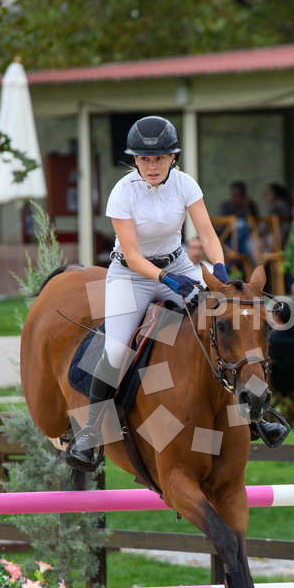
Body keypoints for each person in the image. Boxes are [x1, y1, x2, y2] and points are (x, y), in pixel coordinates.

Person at [67, 115, 230, 469]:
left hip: (179, 265)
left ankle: (253, 412)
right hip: (131, 275)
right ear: (134, 160)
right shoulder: (122, 192)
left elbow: (206, 234)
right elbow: (133, 256)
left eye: (158, 158)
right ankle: (89, 433)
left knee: (222, 321)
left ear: (173, 157)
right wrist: (166, 280)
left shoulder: (186, 184)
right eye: (144, 159)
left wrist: (219, 268)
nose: (151, 166)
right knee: (115, 349)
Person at [218, 180, 260, 261]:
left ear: (244, 196)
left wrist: (246, 206)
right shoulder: (226, 206)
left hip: (247, 241)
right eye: (234, 195)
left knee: (254, 242)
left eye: (239, 195)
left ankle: (259, 265)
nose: (236, 198)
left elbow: (255, 225)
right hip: (228, 243)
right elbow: (220, 228)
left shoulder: (249, 206)